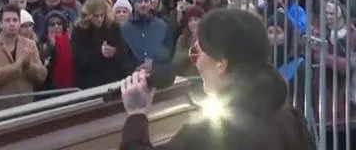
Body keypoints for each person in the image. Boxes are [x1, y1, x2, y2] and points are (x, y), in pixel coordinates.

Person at [119, 8, 314, 150]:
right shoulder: (291, 121)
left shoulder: (209, 136)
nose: (196, 61)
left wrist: (137, 116)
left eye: (198, 52)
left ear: (221, 62)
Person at [0, 4, 46, 113]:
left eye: (15, 20)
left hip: (25, 108)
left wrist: (28, 65)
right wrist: (17, 66)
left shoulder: (30, 45)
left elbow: (41, 76)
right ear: (1, 24)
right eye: (7, 20)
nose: (12, 24)